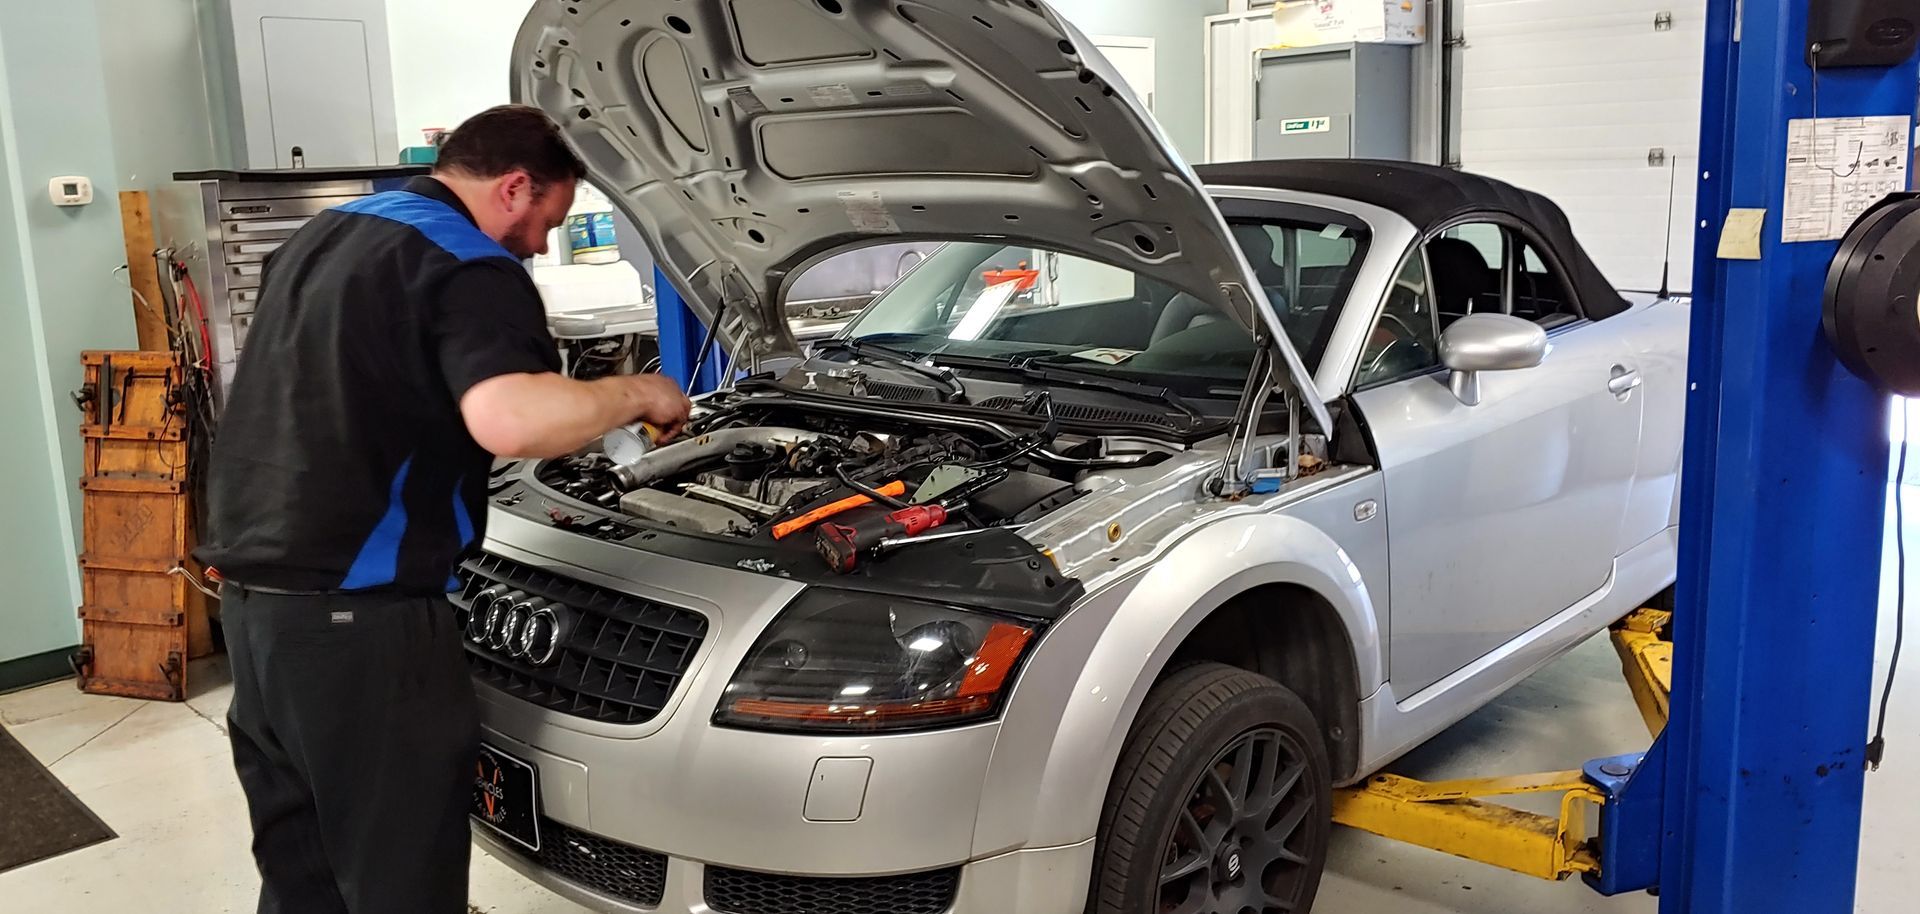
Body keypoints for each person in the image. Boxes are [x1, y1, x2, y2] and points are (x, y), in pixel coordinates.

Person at [196, 104, 691, 914]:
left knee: (305, 873)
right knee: (400, 880)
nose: (536, 244)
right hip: (363, 625)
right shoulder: (467, 262)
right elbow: (510, 419)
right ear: (515, 184)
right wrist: (641, 389)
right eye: (545, 221)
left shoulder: (333, 232)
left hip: (256, 616)